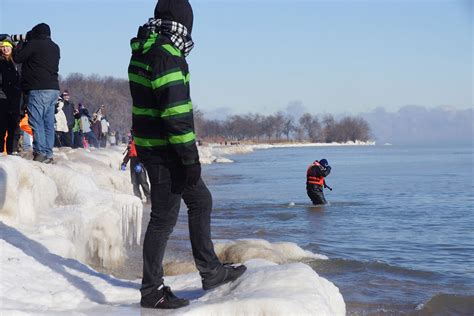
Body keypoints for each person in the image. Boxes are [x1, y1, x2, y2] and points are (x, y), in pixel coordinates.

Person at [128, 0, 246, 309]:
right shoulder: (166, 54)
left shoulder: (144, 48)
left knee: (199, 200)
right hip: (165, 149)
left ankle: (211, 272)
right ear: (182, 22)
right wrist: (190, 159)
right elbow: (175, 113)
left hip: (155, 144)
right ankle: (151, 291)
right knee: (163, 218)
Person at [13, 23, 60, 163]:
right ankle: (48, 154)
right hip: (53, 89)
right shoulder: (55, 47)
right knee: (48, 124)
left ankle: (40, 153)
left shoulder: (34, 44)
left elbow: (18, 58)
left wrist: (20, 45)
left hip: (38, 88)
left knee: (36, 121)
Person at [0, 36, 22, 155]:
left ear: (11, 47)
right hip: (2, 98)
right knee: (1, 127)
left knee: (14, 128)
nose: (4, 49)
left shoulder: (18, 61)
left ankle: (12, 151)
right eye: (2, 47)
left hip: (16, 98)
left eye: (6, 46)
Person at [121, 134, 151, 202]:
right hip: (133, 162)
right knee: (134, 182)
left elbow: (145, 154)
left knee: (143, 181)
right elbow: (129, 153)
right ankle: (138, 198)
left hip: (140, 162)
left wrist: (141, 164)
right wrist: (124, 163)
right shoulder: (131, 143)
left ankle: (148, 198)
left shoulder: (141, 143)